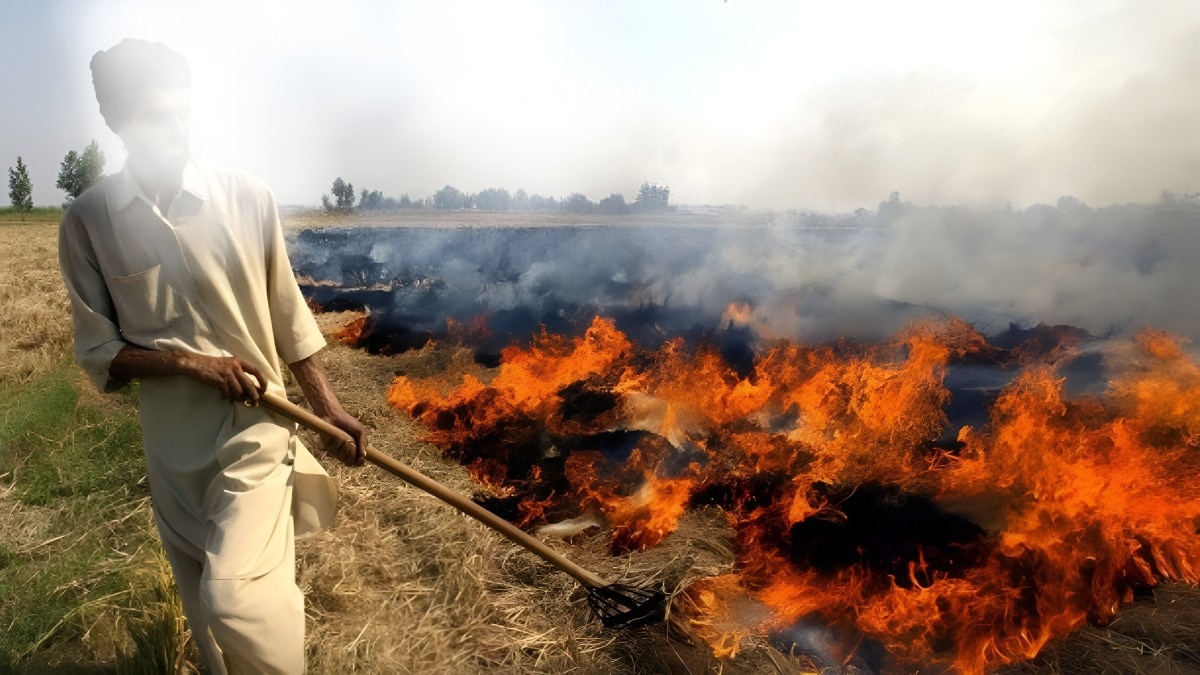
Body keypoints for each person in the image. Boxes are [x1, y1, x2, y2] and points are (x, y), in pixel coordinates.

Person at [58, 38, 367, 673]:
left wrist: (329, 408)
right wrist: (190, 363)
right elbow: (99, 351)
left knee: (236, 598)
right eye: (153, 117)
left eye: (182, 113)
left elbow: (288, 315)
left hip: (257, 428)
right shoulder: (88, 221)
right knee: (206, 611)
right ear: (116, 122)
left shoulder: (247, 197)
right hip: (170, 446)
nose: (175, 131)